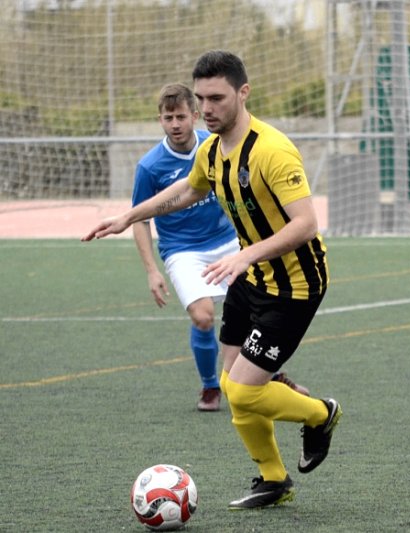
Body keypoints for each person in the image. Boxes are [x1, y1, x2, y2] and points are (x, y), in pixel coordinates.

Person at [84, 50, 341, 508]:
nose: (206, 109)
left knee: (244, 390)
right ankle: (273, 479)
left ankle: (320, 414)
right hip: (251, 275)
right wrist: (129, 216)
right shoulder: (210, 149)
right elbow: (187, 190)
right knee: (231, 387)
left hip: (294, 284)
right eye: (200, 98)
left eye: (217, 98)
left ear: (243, 93)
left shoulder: (272, 150)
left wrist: (247, 255)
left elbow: (305, 223)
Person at [131, 83, 308, 412]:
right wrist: (152, 270)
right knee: (202, 317)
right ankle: (210, 387)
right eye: (168, 118)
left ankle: (267, 373)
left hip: (229, 242)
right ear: (160, 120)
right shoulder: (150, 167)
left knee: (259, 307)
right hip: (183, 250)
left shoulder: (216, 146)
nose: (175, 124)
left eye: (181, 116)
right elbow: (140, 218)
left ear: (194, 116)